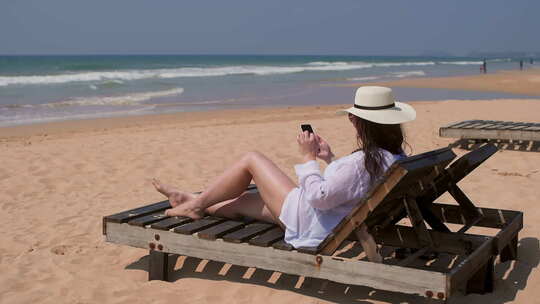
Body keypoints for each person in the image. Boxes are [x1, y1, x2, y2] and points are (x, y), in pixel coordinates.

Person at [152, 86, 416, 248]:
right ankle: (190, 199)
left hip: (314, 220)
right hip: (331, 218)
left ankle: (197, 205)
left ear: (357, 121)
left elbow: (319, 197)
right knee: (245, 200)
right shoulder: (393, 157)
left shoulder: (364, 161)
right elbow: (355, 185)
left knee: (251, 159)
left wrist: (309, 157)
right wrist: (330, 158)